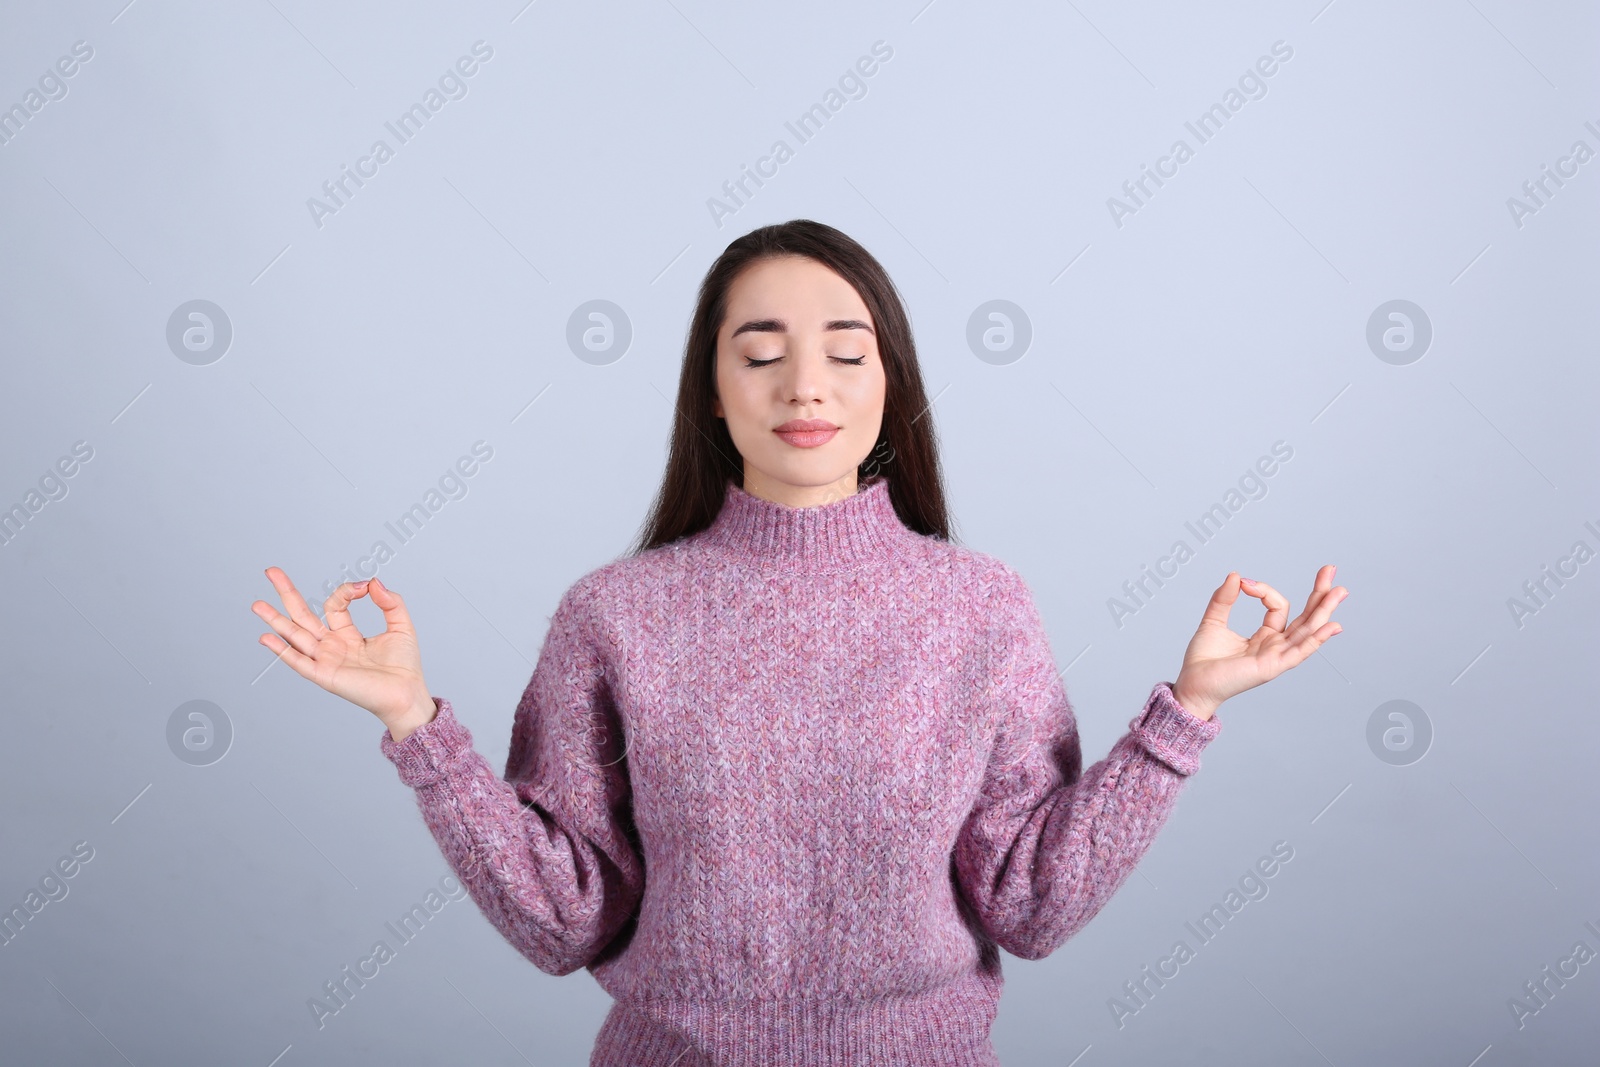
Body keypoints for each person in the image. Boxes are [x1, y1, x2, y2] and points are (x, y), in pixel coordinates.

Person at [250, 219, 1347, 1066]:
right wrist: (416, 725)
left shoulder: (979, 606)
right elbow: (563, 920)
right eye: (760, 352)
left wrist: (1184, 715)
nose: (804, 384)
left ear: (889, 385)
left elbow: (1032, 903)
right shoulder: (616, 614)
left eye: (844, 351)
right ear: (714, 396)